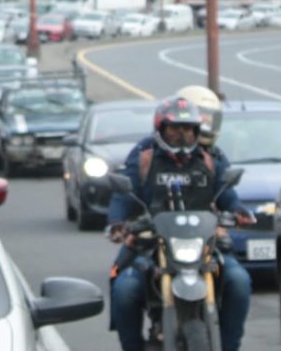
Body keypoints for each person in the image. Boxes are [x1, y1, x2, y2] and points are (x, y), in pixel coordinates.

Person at [106, 97, 254, 351]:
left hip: (205, 246)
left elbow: (225, 192)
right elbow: (123, 193)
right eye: (175, 128)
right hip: (151, 246)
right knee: (123, 288)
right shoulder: (144, 155)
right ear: (161, 129)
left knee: (239, 281)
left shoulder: (210, 156)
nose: (182, 134)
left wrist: (238, 211)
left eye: (188, 128)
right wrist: (118, 222)